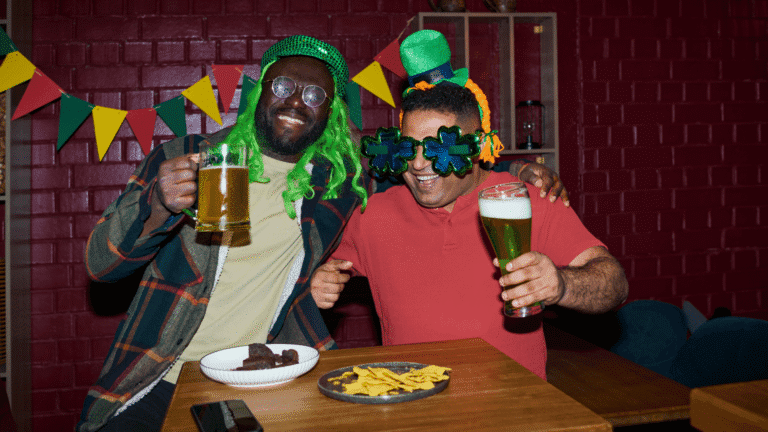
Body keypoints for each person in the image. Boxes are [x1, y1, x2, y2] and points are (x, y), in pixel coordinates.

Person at [78, 34, 566, 432]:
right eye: (283, 86)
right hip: (165, 371)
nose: (296, 102)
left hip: (273, 373)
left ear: (330, 110)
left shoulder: (338, 179)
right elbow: (102, 265)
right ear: (259, 92)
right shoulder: (186, 158)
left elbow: (432, 159)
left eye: (315, 95)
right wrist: (156, 203)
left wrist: (516, 170)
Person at [311, 30, 628, 380]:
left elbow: (613, 283)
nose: (418, 165)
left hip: (513, 410)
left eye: (438, 150)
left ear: (476, 147)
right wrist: (318, 280)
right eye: (408, 149)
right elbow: (309, 267)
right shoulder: (374, 215)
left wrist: (561, 284)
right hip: (414, 406)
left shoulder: (524, 201)